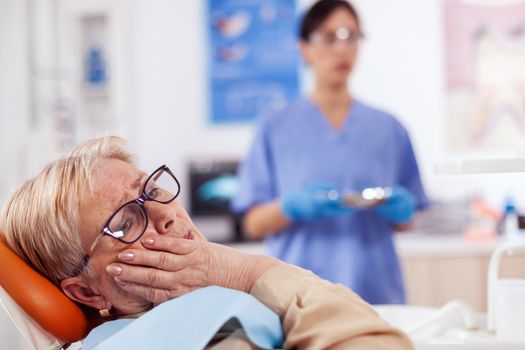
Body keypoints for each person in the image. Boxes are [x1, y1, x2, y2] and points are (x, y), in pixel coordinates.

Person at [0, 136, 413, 349]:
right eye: (125, 221)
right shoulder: (202, 334)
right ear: (86, 290)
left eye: (153, 189)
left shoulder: (207, 308)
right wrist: (245, 271)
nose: (165, 212)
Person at [233, 0, 428, 305]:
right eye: (328, 37)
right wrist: (291, 206)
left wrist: (400, 209)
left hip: (377, 296)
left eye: (351, 36)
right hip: (299, 299)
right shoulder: (274, 127)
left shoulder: (389, 128)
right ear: (304, 48)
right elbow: (253, 223)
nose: (342, 48)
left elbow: (407, 220)